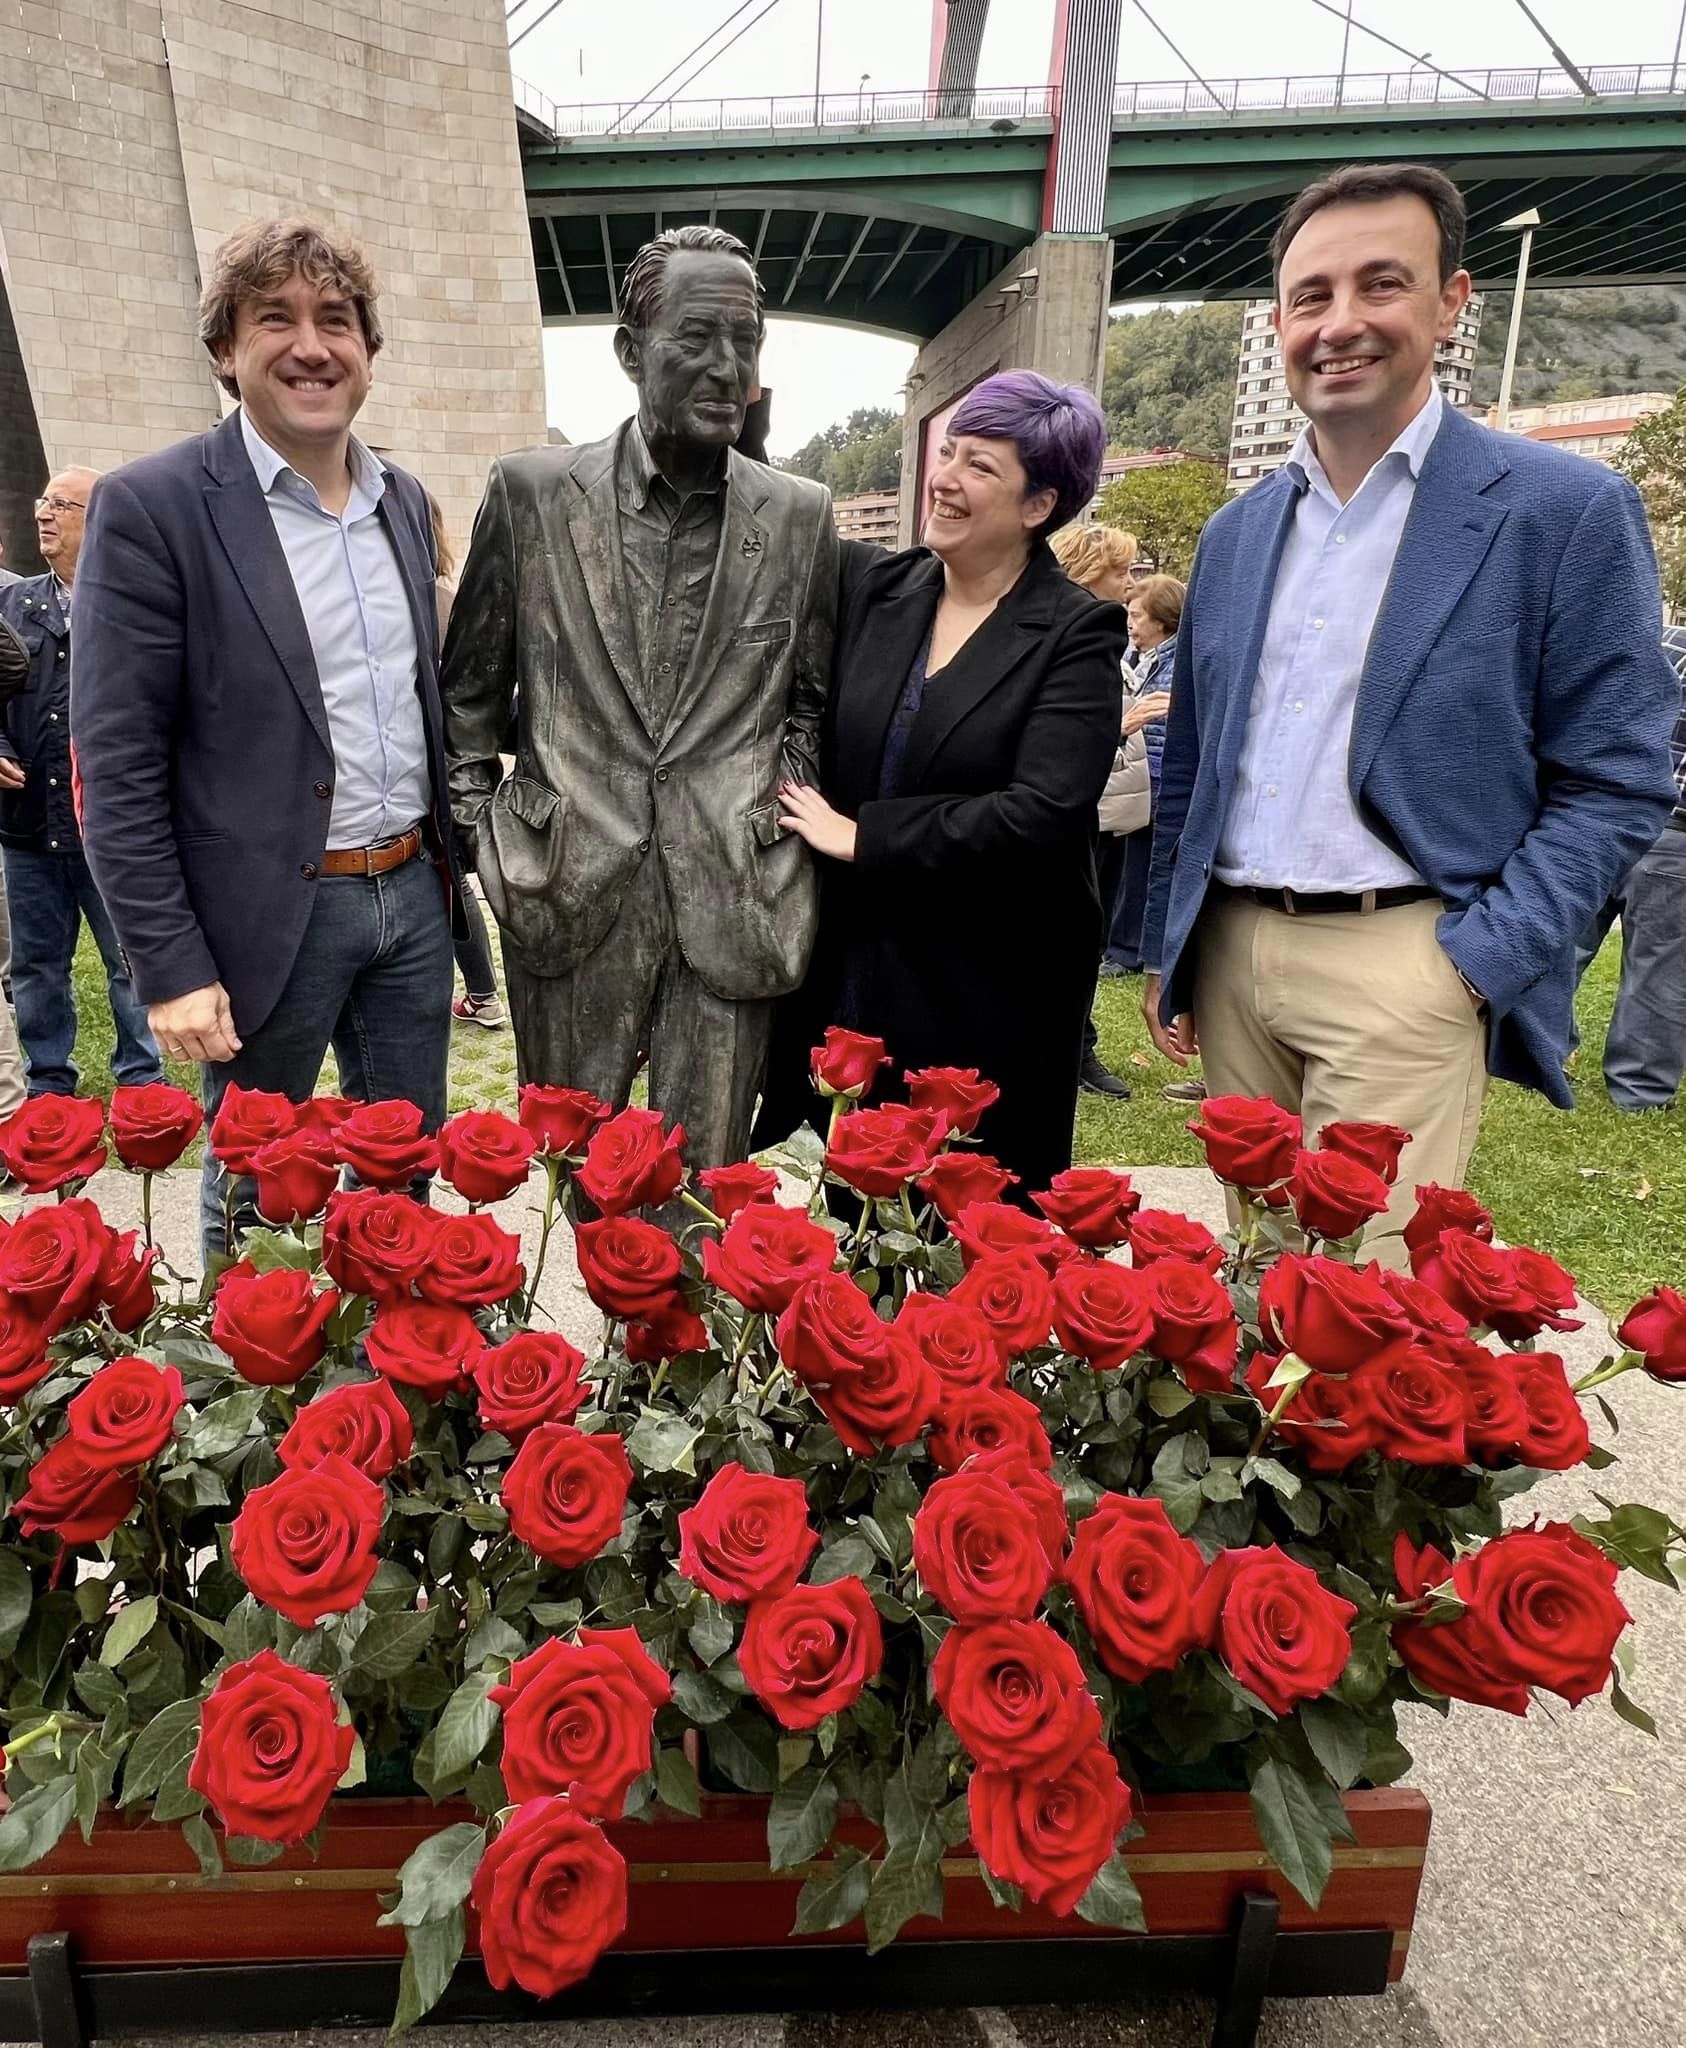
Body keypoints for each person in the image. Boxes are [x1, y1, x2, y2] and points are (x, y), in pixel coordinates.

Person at [1142, 162, 1677, 1253]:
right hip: (1235, 955)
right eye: (1310, 296)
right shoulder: (1236, 533)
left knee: (1364, 1325)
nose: (1340, 323)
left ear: (1450, 302)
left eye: (1380, 284)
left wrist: (1473, 962)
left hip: (1406, 957)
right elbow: (1194, 760)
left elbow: (1617, 775)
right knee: (1252, 1293)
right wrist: (1176, 944)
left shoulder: (1561, 510)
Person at [73, 218, 459, 1252]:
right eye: (274, 319)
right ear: (224, 351)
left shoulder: (405, 504)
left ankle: (394, 1395)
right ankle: (252, 1399)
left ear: (368, 351)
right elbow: (115, 765)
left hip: (411, 901)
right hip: (266, 919)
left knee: (402, 1181)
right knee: (254, 1192)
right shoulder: (154, 508)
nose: (312, 345)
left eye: (337, 320)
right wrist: (167, 963)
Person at [442, 225, 836, 1174]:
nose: (727, 368)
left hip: (735, 892)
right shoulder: (532, 495)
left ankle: (683, 1328)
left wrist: (772, 819)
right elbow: (469, 697)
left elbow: (811, 700)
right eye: (696, 338)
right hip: (566, 890)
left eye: (746, 342)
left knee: (706, 1183)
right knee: (578, 1174)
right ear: (631, 350)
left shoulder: (799, 514)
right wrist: (492, 836)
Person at [764, 370, 1128, 1196]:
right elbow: (763, 519)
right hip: (860, 968)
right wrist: (747, 394)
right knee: (859, 1217)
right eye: (949, 452)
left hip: (986, 985)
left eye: (981, 467)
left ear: (1039, 505)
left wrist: (865, 837)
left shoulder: (1076, 632)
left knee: (962, 1237)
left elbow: (1043, 811)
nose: (947, 479)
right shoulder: (879, 589)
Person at [0, 474, 164, 1099]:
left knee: (131, 959)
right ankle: (48, 1085)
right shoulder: (13, 605)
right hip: (27, 821)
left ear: (99, 519)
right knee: (37, 966)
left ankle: (143, 1077)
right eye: (42, 502)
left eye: (61, 506)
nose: (43, 515)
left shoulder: (133, 603)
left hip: (112, 825)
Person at [1569, 622, 1686, 1110]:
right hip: (1677, 832)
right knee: (1658, 970)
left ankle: (1539, 1054)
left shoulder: (1662, 639)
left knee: (1564, 946)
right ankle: (1639, 1093)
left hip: (1604, 816)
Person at [1049, 520, 1138, 1099]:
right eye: (1121, 572)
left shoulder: (1109, 635)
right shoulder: (1069, 635)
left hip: (1110, 817)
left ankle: (1078, 1045)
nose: (1131, 585)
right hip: (1078, 818)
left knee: (1089, 938)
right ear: (1087, 571)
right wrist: (1118, 726)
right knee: (1073, 941)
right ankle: (1073, 1051)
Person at [426, 490, 505, 1031]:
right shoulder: (449, 597)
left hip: (438, 774)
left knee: (449, 884)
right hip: (454, 774)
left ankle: (479, 993)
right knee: (454, 884)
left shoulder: (431, 599)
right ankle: (482, 993)